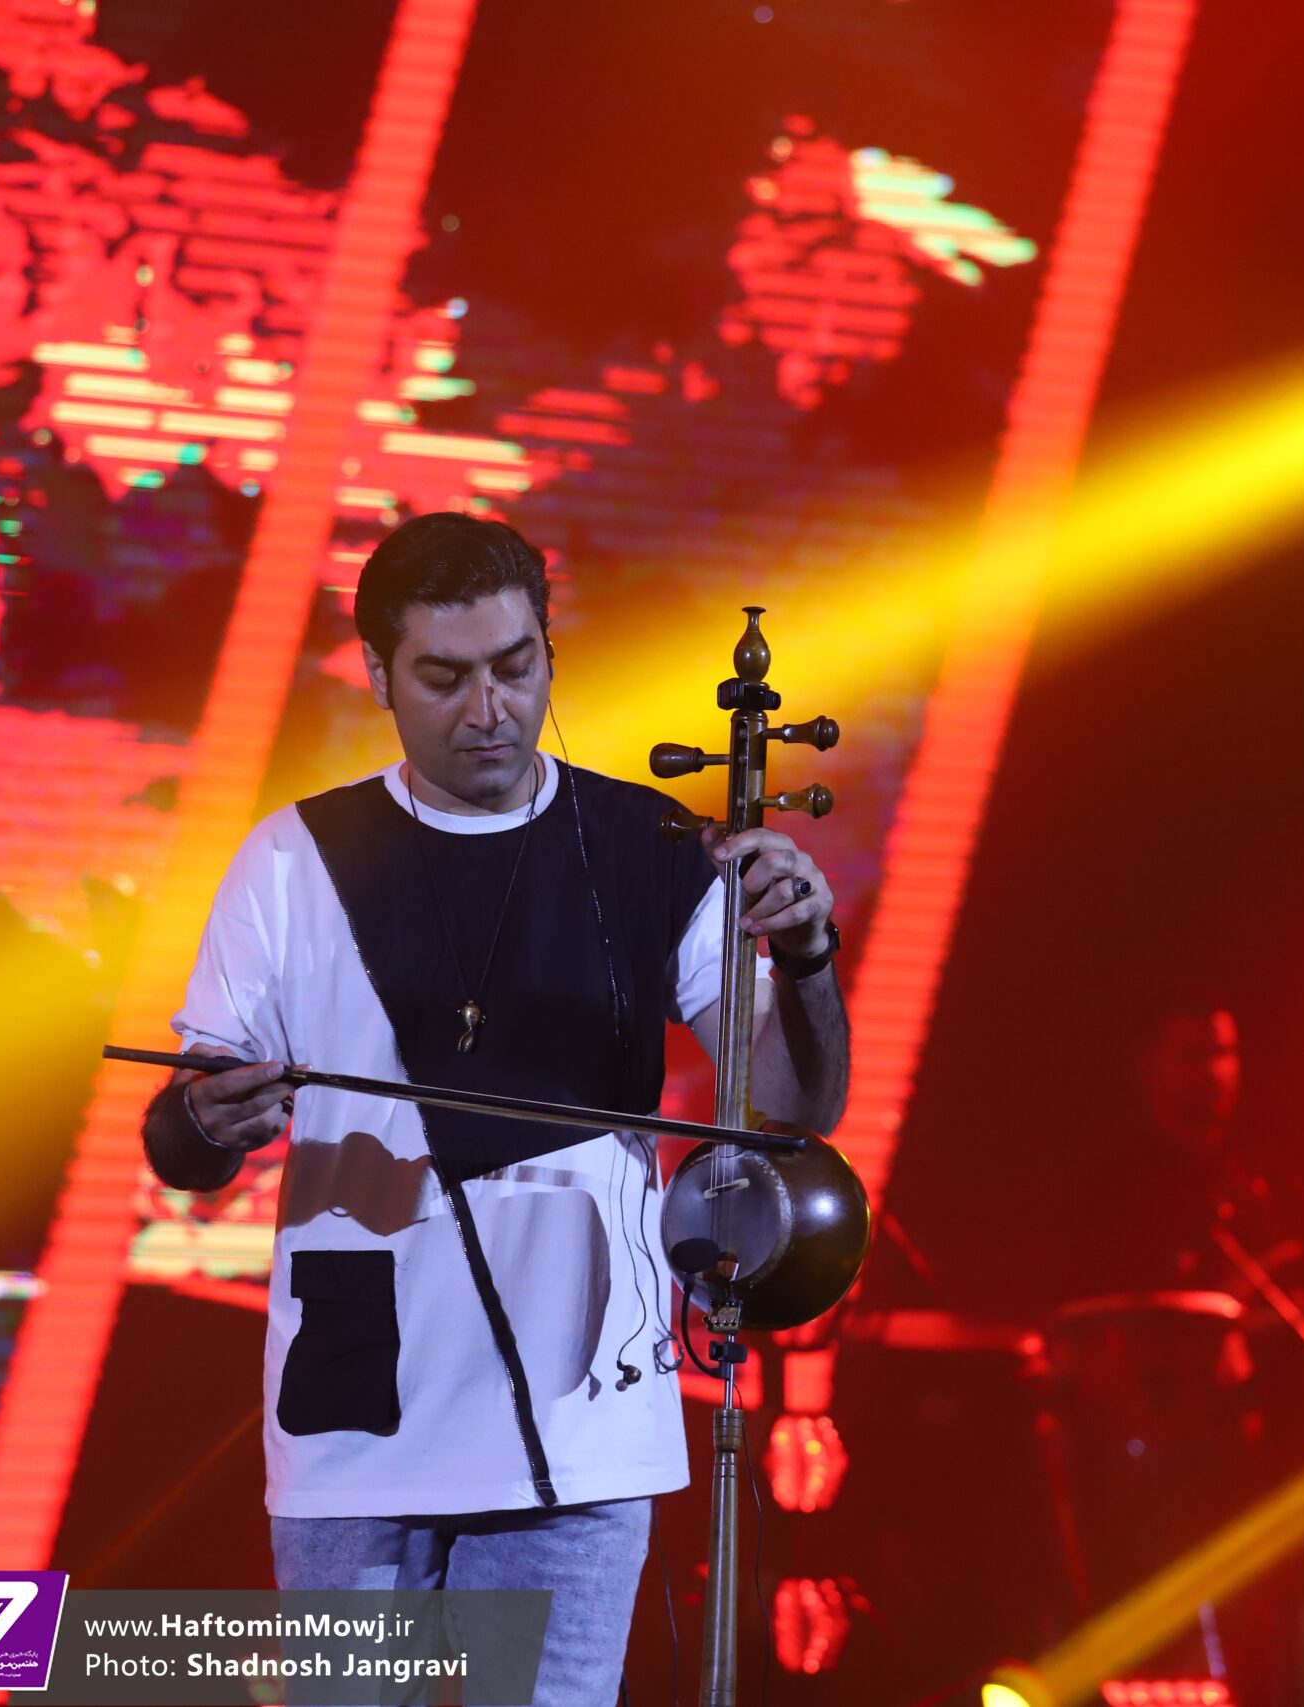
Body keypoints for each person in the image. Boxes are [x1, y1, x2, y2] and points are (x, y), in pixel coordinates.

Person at [140, 513, 848, 1703]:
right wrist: (210, 1120)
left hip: (580, 1414)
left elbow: (784, 1110)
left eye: (515, 669)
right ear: (378, 676)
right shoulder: (293, 858)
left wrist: (811, 954)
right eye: (445, 678)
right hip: (356, 1413)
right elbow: (182, 1140)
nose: (488, 709)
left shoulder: (651, 845)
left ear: (549, 656)